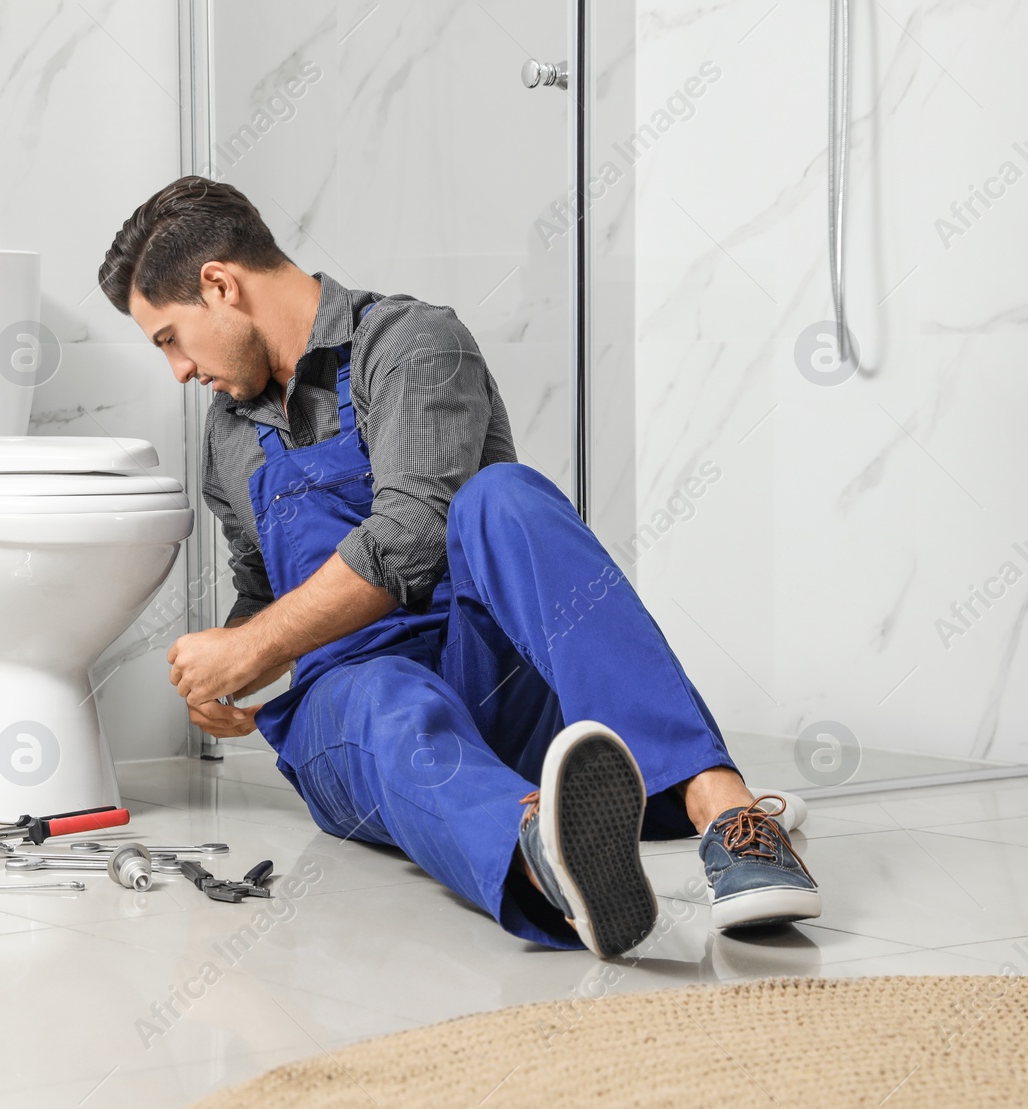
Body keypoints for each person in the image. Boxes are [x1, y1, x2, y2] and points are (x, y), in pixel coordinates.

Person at [98, 177, 821, 957]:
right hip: (356, 719)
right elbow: (261, 593)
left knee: (501, 495)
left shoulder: (410, 342)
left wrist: (252, 644)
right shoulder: (227, 435)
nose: (176, 370)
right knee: (381, 692)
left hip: (491, 683)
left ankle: (733, 818)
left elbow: (412, 534)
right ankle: (549, 855)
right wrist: (232, 668)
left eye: (169, 337)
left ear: (219, 284)